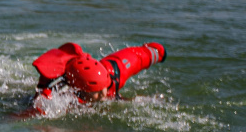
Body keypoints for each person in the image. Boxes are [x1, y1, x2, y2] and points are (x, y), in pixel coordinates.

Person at [32, 41, 167, 104]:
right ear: (81, 90)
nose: (102, 93)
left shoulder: (115, 71)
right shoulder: (62, 97)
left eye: (104, 87)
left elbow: (140, 56)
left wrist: (158, 52)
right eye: (95, 91)